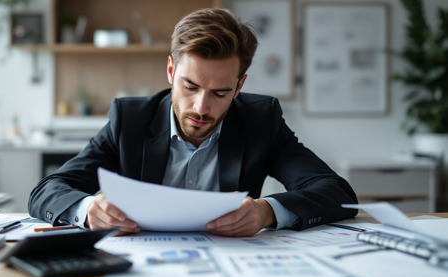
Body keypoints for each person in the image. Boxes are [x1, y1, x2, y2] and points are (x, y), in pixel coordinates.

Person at [28, 8, 358, 237]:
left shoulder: (262, 120)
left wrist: (266, 212)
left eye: (220, 92)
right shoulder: (130, 120)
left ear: (240, 87)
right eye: (190, 86)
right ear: (171, 71)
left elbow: (337, 193)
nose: (201, 108)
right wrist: (87, 209)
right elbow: (46, 191)